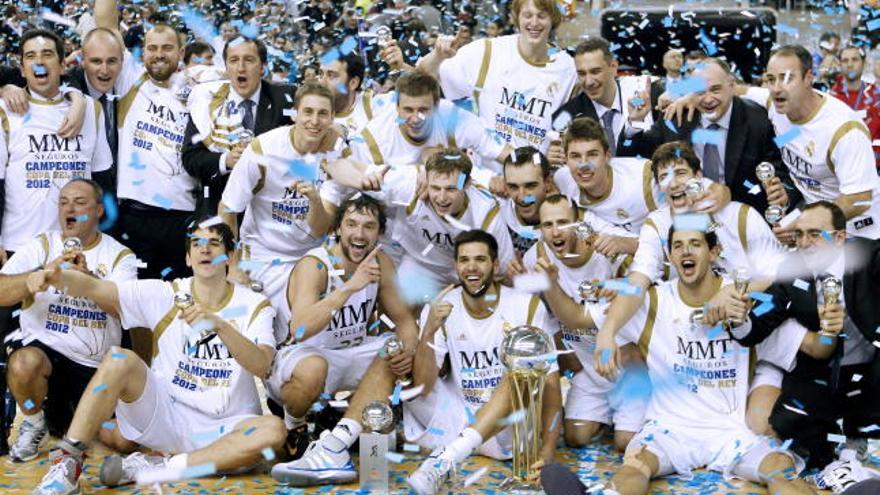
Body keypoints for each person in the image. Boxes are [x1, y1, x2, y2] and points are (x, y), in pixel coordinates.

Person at [28, 222, 285, 495]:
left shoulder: (255, 304)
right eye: (196, 244)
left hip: (228, 428)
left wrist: (220, 325)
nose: (204, 249)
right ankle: (68, 463)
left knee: (272, 431)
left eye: (214, 243)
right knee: (119, 359)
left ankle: (160, 466)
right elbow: (96, 288)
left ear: (230, 257)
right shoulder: (167, 293)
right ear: (188, 257)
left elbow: (262, 364)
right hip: (168, 417)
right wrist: (55, 276)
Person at [596, 225, 816, 495]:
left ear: (714, 252)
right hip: (669, 429)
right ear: (670, 255)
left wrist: (830, 327)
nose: (685, 251)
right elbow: (584, 318)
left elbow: (810, 344)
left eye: (695, 244)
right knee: (634, 466)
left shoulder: (742, 297)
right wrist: (606, 336)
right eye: (677, 246)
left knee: (780, 466)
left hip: (730, 432)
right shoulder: (651, 301)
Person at [267, 195, 418, 481]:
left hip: (351, 351)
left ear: (379, 233)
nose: (359, 234)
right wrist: (350, 287)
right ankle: (296, 426)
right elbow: (299, 329)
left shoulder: (381, 261)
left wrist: (405, 354)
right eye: (351, 224)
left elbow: (405, 322)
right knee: (314, 369)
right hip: (304, 355)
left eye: (368, 226)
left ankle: (339, 441)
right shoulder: (315, 265)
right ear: (337, 228)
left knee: (393, 349)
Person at [403, 229, 562, 495]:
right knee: (394, 369)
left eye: (480, 259)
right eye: (464, 260)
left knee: (519, 373)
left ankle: (443, 461)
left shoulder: (526, 305)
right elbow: (424, 385)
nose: (471, 267)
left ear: (495, 265)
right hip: (459, 420)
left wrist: (547, 451)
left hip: (509, 426)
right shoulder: (441, 306)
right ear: (455, 266)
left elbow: (552, 383)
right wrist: (428, 332)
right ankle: (451, 453)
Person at [735, 201, 880, 472]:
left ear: (839, 238)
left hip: (872, 364)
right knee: (785, 422)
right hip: (822, 369)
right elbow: (756, 328)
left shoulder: (869, 254)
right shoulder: (792, 273)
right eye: (799, 234)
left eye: (815, 234)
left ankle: (859, 435)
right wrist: (738, 318)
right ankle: (833, 446)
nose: (804, 242)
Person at [0, 180, 136, 462]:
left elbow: (126, 311)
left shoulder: (120, 255)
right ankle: (34, 421)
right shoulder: (43, 245)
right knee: (23, 363)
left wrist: (88, 282)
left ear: (99, 210)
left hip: (94, 370)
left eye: (79, 202)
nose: (69, 208)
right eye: (63, 202)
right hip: (46, 358)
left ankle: (79, 424)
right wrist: (39, 274)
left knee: (123, 440)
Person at [218, 82, 344, 343]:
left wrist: (313, 199)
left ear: (332, 118)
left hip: (310, 258)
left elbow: (322, 227)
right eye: (307, 112)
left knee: (306, 338)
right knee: (256, 338)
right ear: (294, 113)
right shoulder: (263, 150)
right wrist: (231, 266)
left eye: (323, 114)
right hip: (262, 256)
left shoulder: (338, 153)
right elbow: (228, 208)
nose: (314, 121)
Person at [521, 194, 646, 451]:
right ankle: (607, 416)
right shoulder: (535, 259)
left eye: (563, 222)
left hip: (626, 366)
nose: (556, 231)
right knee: (576, 438)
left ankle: (632, 415)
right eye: (547, 225)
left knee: (625, 444)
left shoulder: (605, 251)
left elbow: (648, 275)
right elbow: (537, 314)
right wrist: (564, 353)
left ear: (578, 222)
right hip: (588, 368)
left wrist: (623, 282)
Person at [96, 0, 197, 280]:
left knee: (178, 306)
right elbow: (105, 22)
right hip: (133, 216)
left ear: (181, 51)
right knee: (132, 305)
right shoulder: (131, 78)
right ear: (143, 53)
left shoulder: (199, 93)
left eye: (167, 48)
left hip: (182, 216)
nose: (159, 54)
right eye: (152, 48)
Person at [627, 57, 796, 216]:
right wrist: (635, 121)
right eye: (700, 92)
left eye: (715, 90)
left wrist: (782, 194)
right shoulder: (677, 117)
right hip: (687, 216)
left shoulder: (756, 120)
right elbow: (633, 154)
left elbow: (779, 172)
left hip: (740, 215)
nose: (708, 99)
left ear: (731, 86)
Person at [0, 29, 113, 259]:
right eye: (30, 56)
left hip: (79, 245)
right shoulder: (5, 112)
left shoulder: (91, 109)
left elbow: (103, 179)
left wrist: (106, 236)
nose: (39, 61)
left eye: (47, 54)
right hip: (22, 245)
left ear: (62, 65)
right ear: (22, 69)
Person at [417, 0, 577, 154]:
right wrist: (437, 56)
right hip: (485, 176)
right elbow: (424, 74)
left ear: (553, 19)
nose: (534, 23)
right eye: (527, 15)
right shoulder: (487, 51)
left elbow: (567, 123)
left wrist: (557, 146)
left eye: (542, 16)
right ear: (516, 17)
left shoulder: (568, 70)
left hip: (535, 177)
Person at [756, 45, 880, 240]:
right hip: (813, 222)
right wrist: (693, 94)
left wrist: (804, 223)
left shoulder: (844, 130)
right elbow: (738, 89)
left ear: (808, 78)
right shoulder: (776, 106)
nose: (777, 87)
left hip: (859, 232)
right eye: (771, 79)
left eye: (787, 78)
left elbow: (859, 200)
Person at [356, 150, 515, 288]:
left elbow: (504, 271)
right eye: (435, 188)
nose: (441, 198)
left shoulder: (486, 213)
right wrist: (365, 182)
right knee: (395, 301)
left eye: (451, 189)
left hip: (467, 272)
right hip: (420, 264)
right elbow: (340, 167)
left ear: (467, 184)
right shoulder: (412, 183)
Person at [183, 37, 295, 219]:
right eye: (234, 60)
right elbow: (190, 158)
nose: (241, 67)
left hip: (269, 215)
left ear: (262, 67)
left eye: (249, 60)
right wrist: (225, 161)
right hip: (217, 213)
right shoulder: (206, 102)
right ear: (226, 67)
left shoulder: (285, 98)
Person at [351, 69, 509, 175]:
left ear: (437, 106)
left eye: (423, 110)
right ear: (397, 107)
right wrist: (423, 171)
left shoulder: (454, 117)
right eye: (408, 110)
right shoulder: (374, 139)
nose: (415, 118)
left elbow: (505, 153)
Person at [551, 37, 656, 160]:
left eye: (595, 72)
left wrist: (682, 99)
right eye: (582, 74)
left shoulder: (644, 93)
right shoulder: (565, 117)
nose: (588, 82)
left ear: (613, 67)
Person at [830, 45, 880, 170]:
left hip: (875, 170)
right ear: (840, 65)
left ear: (863, 63)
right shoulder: (830, 98)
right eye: (845, 60)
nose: (850, 64)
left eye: (855, 59)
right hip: (843, 168)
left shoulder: (876, 95)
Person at [319, 52, 390, 139]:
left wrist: (402, 67)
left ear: (353, 83)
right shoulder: (309, 116)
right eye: (321, 74)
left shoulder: (373, 104)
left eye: (331, 75)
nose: (321, 82)